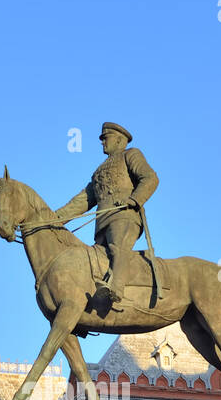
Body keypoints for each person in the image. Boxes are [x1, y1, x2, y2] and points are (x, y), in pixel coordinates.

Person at [53, 122, 158, 302]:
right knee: (96, 261)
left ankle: (116, 289)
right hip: (102, 222)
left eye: (105, 138)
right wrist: (53, 219)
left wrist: (134, 199)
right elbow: (81, 201)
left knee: (118, 249)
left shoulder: (131, 154)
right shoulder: (98, 172)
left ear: (119, 140)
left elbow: (150, 177)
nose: (102, 142)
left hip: (124, 214)